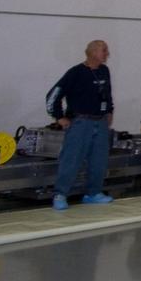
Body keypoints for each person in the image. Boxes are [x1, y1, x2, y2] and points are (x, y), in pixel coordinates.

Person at [46, 39, 116, 211]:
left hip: (100, 122)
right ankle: (60, 194)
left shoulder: (104, 71)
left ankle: (94, 193)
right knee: (72, 159)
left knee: (99, 160)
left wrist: (109, 112)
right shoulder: (76, 72)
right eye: (104, 50)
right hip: (81, 122)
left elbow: (107, 94)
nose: (107, 54)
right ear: (93, 52)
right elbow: (53, 95)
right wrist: (59, 117)